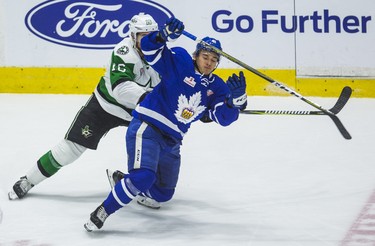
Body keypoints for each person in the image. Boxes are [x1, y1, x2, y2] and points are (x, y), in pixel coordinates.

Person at [84, 16, 248, 231]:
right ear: (196, 55)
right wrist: (162, 35)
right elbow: (148, 48)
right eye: (205, 56)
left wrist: (235, 101)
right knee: (144, 177)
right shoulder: (179, 61)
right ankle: (103, 211)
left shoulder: (217, 87)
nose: (208, 62)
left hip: (172, 141)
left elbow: (224, 118)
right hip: (148, 126)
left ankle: (124, 182)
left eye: (213, 59)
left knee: (162, 194)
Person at [7, 13, 162, 208]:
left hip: (138, 111)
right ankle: (29, 179)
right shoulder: (124, 52)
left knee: (157, 148)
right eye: (142, 35)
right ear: (133, 36)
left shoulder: (161, 55)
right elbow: (121, 89)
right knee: (69, 150)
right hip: (105, 107)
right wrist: (152, 99)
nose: (147, 40)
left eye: (151, 35)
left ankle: (134, 185)